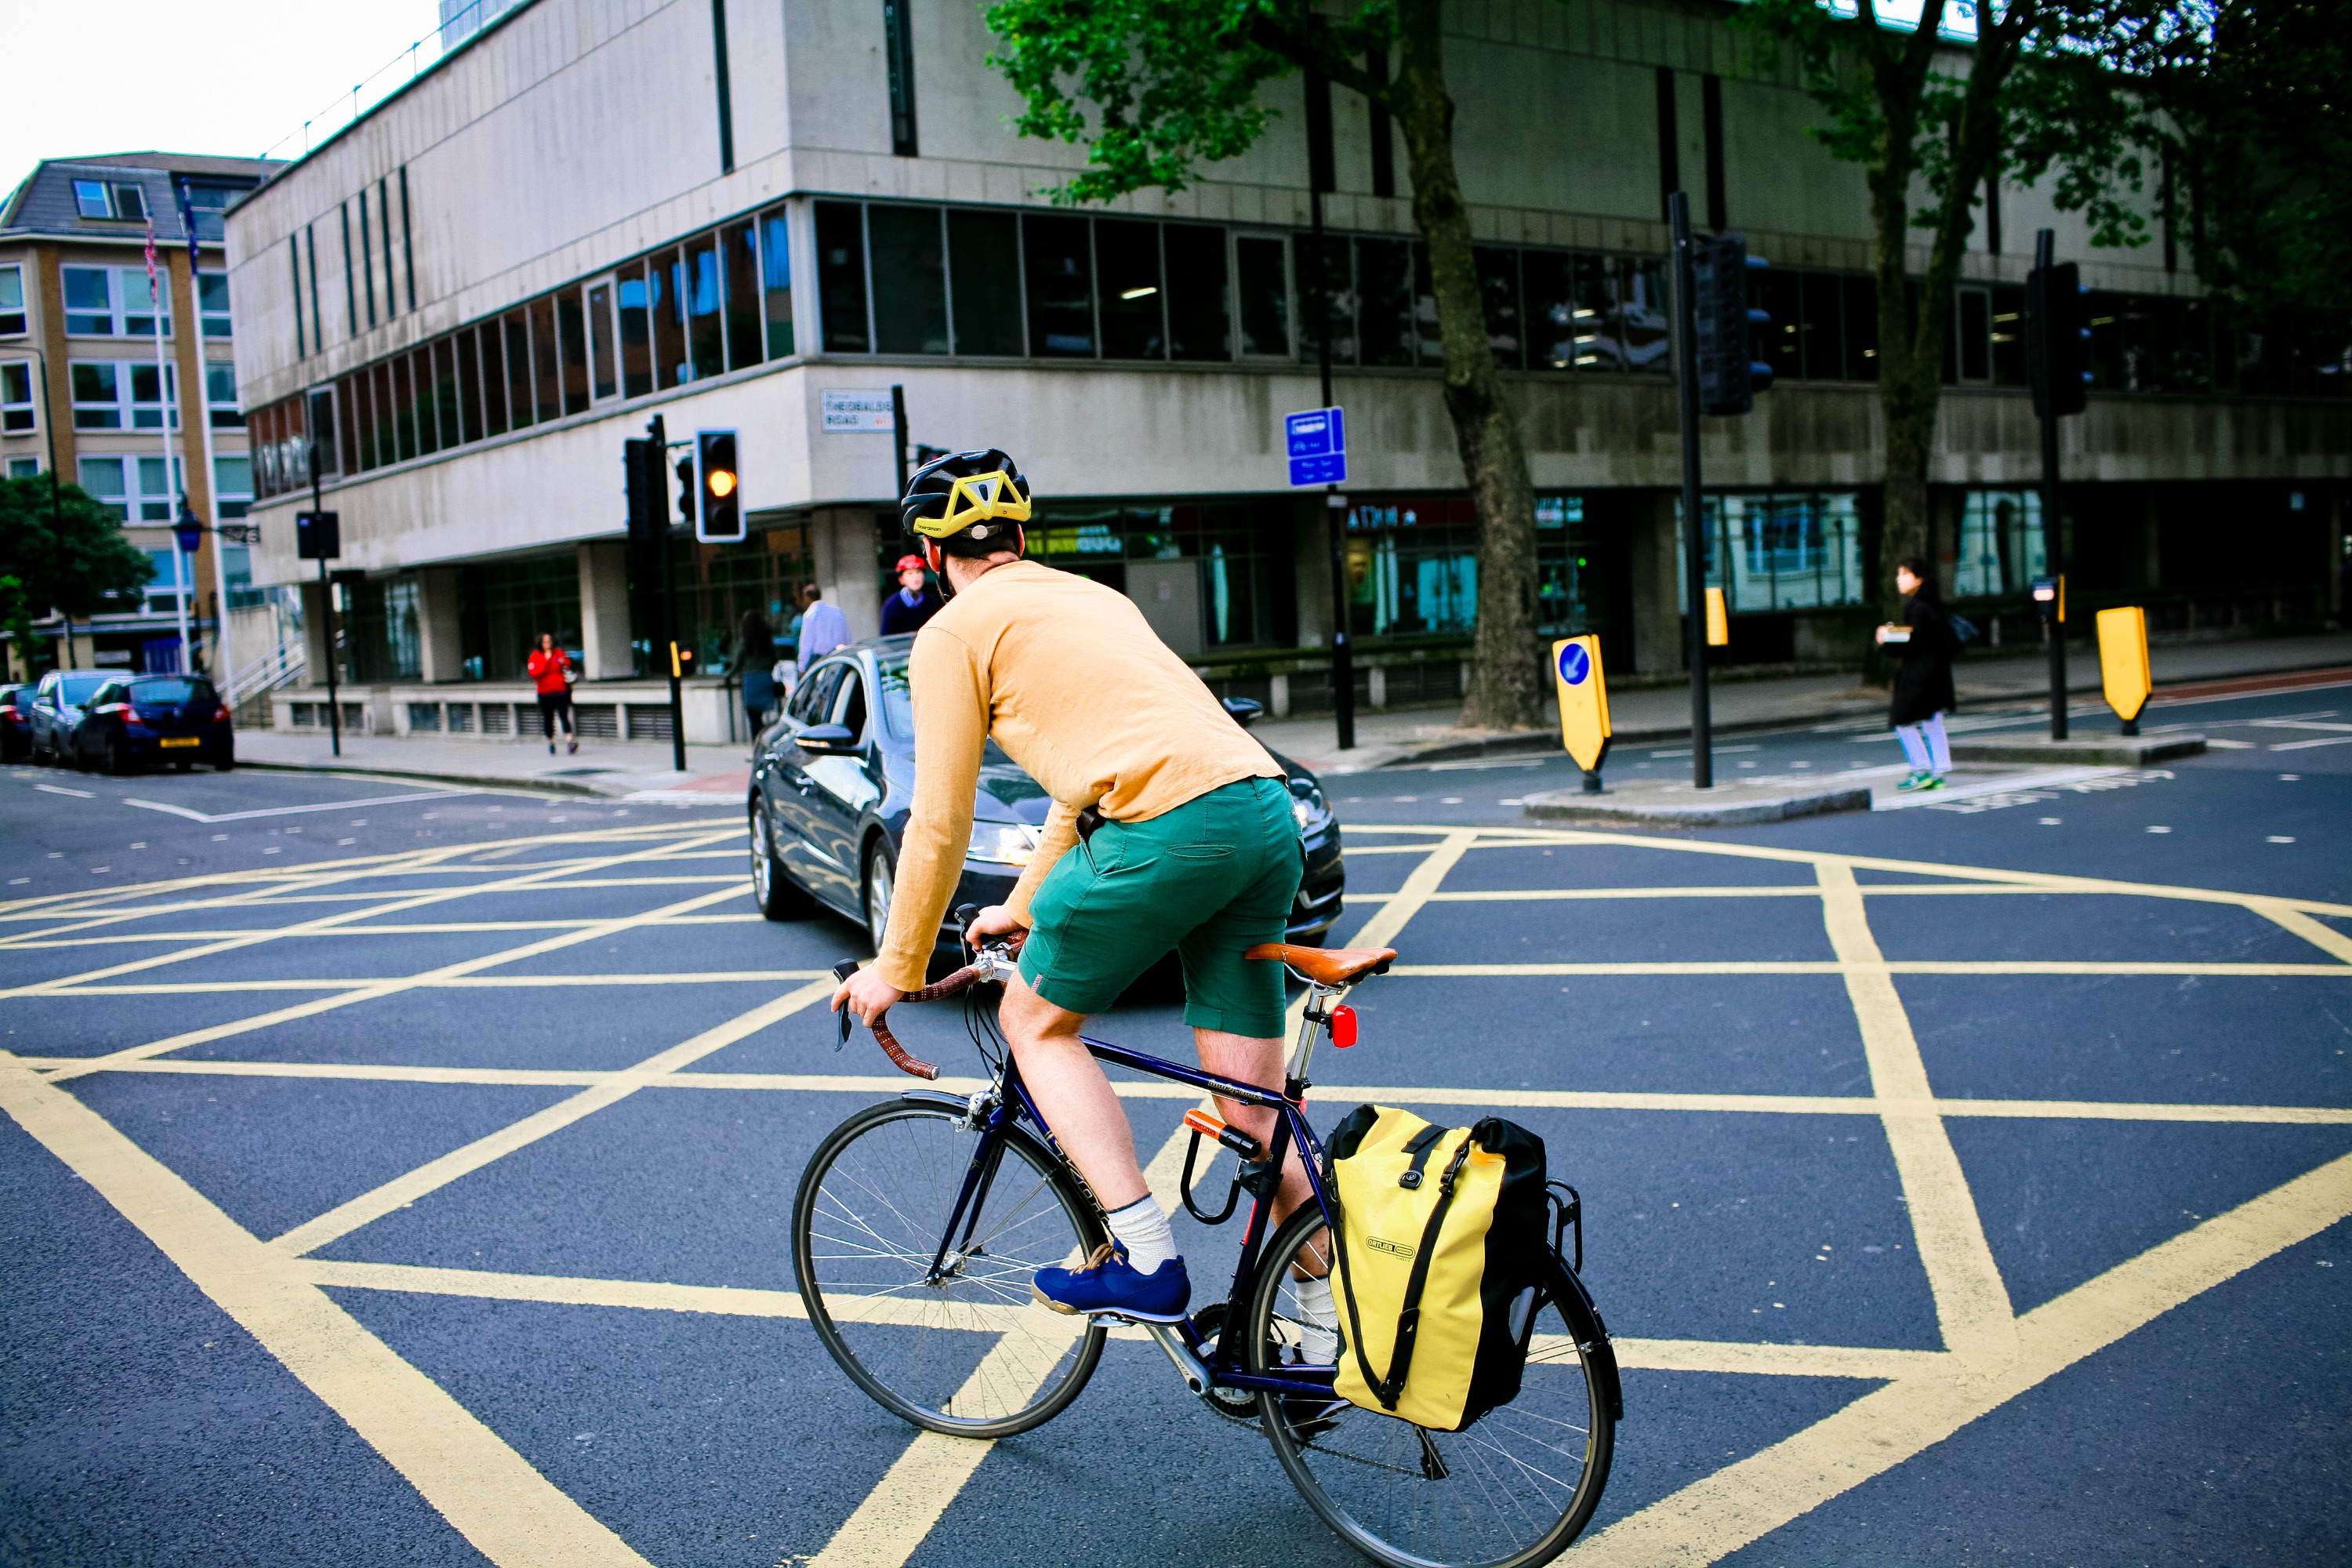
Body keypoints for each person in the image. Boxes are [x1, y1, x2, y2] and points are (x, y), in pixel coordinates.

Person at [832, 448, 1308, 1327]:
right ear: (1019, 539)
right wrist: (1019, 906)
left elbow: (937, 819)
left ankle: (1147, 1259)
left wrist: (894, 967)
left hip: (1167, 828)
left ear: (933, 556)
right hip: (1264, 812)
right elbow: (1076, 788)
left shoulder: (953, 633)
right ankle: (1318, 1335)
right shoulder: (1096, 598)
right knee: (1253, 1107)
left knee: (1034, 1021)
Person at [1877, 557, 1956, 791]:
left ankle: (1920, 770)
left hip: (1919, 675)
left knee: (1901, 720)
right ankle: (1938, 774)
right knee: (1933, 721)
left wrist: (1886, 638)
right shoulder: (1933, 606)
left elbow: (1912, 644)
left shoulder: (1917, 608)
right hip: (1938, 673)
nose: (1898, 579)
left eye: (1904, 574)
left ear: (1919, 579)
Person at [527, 632, 576, 755]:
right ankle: (551, 741)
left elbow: (568, 664)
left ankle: (570, 742)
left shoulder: (558, 652)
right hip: (545, 693)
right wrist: (547, 660)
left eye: (549, 641)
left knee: (564, 716)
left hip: (560, 690)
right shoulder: (536, 656)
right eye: (545, 641)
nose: (548, 643)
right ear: (540, 643)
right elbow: (534, 673)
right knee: (548, 718)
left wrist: (563, 662)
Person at [878, 554, 944, 636]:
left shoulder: (932, 601)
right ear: (901, 580)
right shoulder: (891, 605)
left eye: (918, 572)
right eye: (910, 573)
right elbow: (886, 638)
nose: (916, 578)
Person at [735, 610, 778, 735]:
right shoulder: (766, 641)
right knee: (758, 716)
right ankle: (764, 736)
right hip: (765, 677)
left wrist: (728, 674)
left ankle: (762, 738)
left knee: (753, 716)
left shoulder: (746, 642)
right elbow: (774, 658)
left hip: (751, 679)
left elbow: (738, 662)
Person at [794, 584, 848, 675]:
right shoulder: (837, 612)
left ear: (807, 598)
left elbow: (806, 644)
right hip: (839, 658)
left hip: (819, 662)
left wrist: (802, 667)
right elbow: (847, 636)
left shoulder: (810, 615)